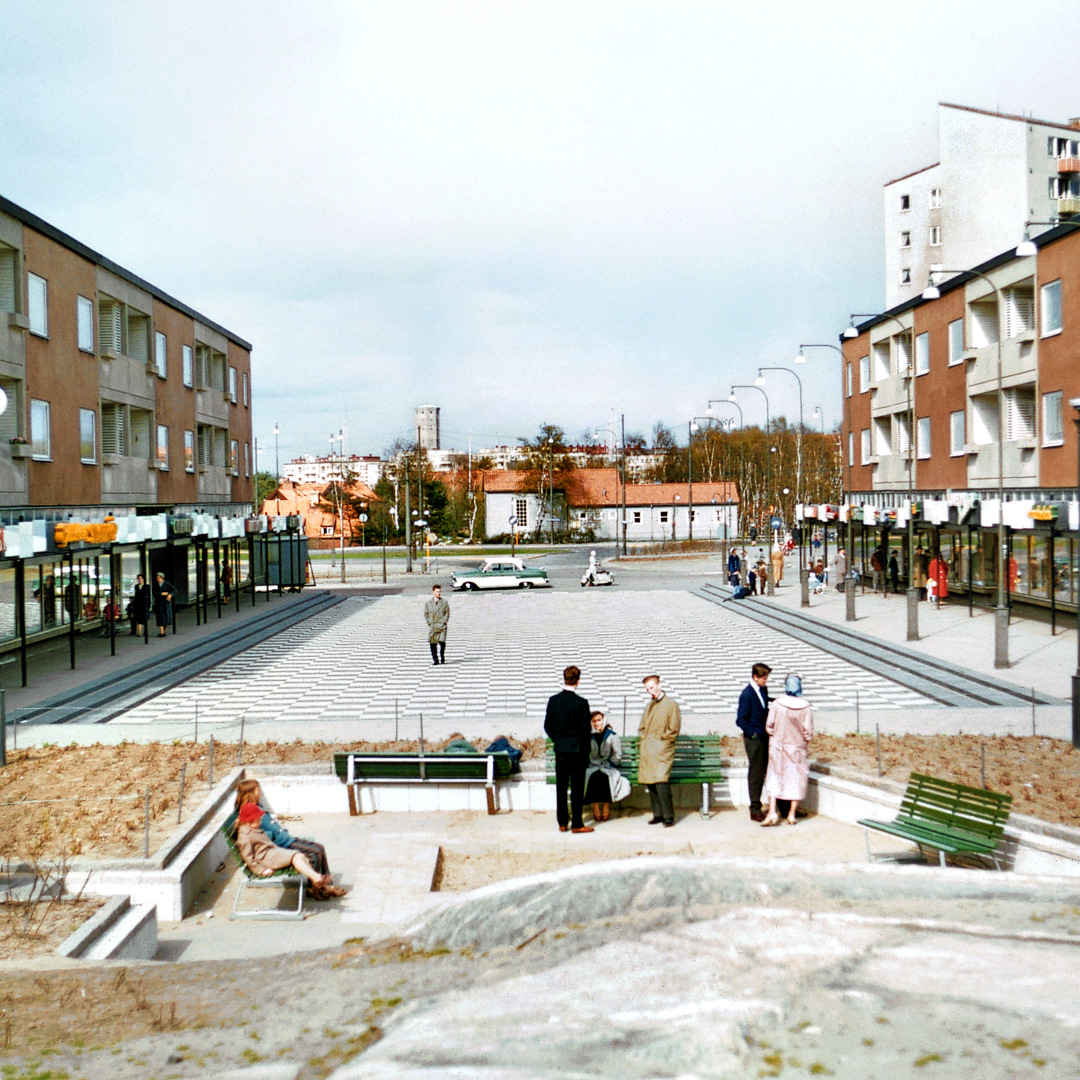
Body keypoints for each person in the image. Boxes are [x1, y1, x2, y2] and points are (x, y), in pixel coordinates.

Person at [231, 778, 344, 897]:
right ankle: (318, 889)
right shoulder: (249, 813)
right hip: (280, 844)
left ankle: (325, 886)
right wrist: (275, 834)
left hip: (284, 840)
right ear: (249, 793)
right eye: (258, 790)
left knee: (319, 848)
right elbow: (259, 837)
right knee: (315, 852)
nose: (260, 792)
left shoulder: (256, 808)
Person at [544, 664, 593, 833]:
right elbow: (586, 731)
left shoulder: (553, 700)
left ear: (564, 679)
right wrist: (586, 752)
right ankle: (577, 823)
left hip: (560, 749)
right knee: (577, 788)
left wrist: (558, 739)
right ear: (578, 681)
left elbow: (547, 726)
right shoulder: (581, 703)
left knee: (561, 786)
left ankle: (562, 822)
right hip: (577, 750)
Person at [761, 674, 814, 826]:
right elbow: (808, 732)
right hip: (797, 748)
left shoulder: (777, 704)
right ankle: (791, 814)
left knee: (774, 777)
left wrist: (777, 735)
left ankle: (772, 812)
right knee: (796, 779)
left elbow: (769, 725)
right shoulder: (805, 707)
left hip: (778, 747)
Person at [639, 674, 681, 827]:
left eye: (652, 687)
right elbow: (642, 727)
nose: (650, 691)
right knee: (651, 783)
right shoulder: (649, 705)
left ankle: (668, 816)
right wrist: (644, 737)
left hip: (662, 750)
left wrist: (662, 742)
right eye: (647, 689)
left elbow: (674, 729)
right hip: (649, 749)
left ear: (659, 685)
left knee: (661, 782)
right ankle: (658, 814)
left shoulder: (671, 704)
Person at [735, 662, 771, 822]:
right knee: (756, 773)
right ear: (755, 677)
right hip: (754, 739)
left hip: (765, 736)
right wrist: (753, 733)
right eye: (764, 678)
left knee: (770, 770)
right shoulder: (746, 694)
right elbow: (740, 719)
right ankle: (755, 809)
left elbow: (763, 705)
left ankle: (780, 805)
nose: (766, 681)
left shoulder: (763, 689)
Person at [584, 710, 630, 822]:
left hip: (608, 766)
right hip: (592, 766)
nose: (597, 723)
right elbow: (584, 753)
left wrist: (610, 764)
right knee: (593, 776)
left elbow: (617, 754)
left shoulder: (611, 735)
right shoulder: (588, 736)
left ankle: (606, 806)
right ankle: (595, 806)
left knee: (605, 777)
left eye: (599, 720)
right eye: (594, 721)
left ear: (604, 720)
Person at [424, 583, 450, 665]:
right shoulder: (428, 603)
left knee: (442, 642)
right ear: (433, 592)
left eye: (439, 591)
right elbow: (426, 613)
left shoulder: (444, 602)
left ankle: (442, 655)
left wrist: (444, 621)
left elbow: (447, 613)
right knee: (433, 644)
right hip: (433, 626)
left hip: (441, 626)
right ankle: (435, 660)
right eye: (437, 591)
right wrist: (429, 622)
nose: (439, 593)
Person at [153, 572, 175, 637]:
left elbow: (174, 590)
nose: (157, 579)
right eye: (157, 578)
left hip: (165, 603)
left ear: (162, 578)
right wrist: (161, 594)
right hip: (159, 603)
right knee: (160, 616)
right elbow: (154, 592)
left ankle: (163, 631)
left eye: (159, 578)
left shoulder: (167, 584)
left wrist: (170, 595)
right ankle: (161, 632)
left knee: (165, 617)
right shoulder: (155, 584)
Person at [131, 573, 151, 637]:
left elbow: (149, 596)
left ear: (143, 579)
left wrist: (149, 605)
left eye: (139, 578)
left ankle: (145, 630)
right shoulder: (136, 586)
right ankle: (139, 631)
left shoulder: (147, 586)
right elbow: (136, 595)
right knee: (139, 618)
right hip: (138, 604)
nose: (139, 580)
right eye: (138, 579)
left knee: (145, 618)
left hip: (144, 604)